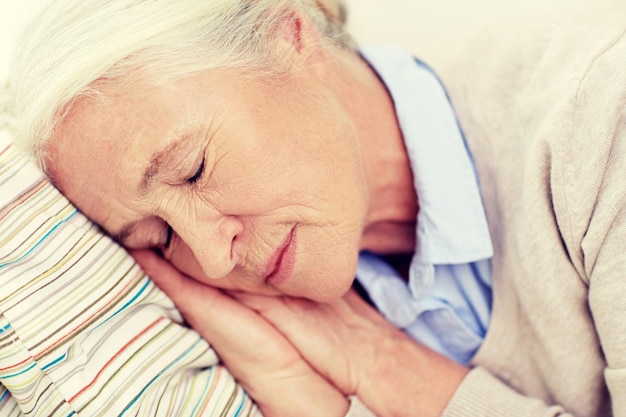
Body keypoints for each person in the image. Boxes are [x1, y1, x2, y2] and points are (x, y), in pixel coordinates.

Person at [4, 0, 626, 415]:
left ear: (288, 33)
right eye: (158, 237)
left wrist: (381, 366)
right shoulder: (280, 328)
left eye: (192, 170)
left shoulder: (600, 115)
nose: (214, 258)